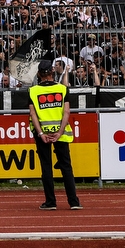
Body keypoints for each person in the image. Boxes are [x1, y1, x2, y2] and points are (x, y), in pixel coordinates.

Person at [28, 61, 81, 211]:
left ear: (39, 74)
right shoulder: (62, 89)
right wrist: (60, 132)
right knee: (66, 167)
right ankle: (74, 201)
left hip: (42, 134)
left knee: (46, 167)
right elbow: (67, 112)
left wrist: (40, 133)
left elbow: (33, 114)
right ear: (52, 72)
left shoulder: (33, 91)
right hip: (61, 133)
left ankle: (51, 202)